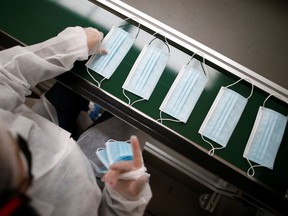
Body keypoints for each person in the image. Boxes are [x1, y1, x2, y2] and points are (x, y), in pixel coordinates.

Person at [0, 26, 152, 216]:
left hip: (43, 131)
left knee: (77, 78)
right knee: (141, 111)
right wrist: (126, 199)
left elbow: (4, 76)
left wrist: (72, 46)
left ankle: (86, 109)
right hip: (90, 182)